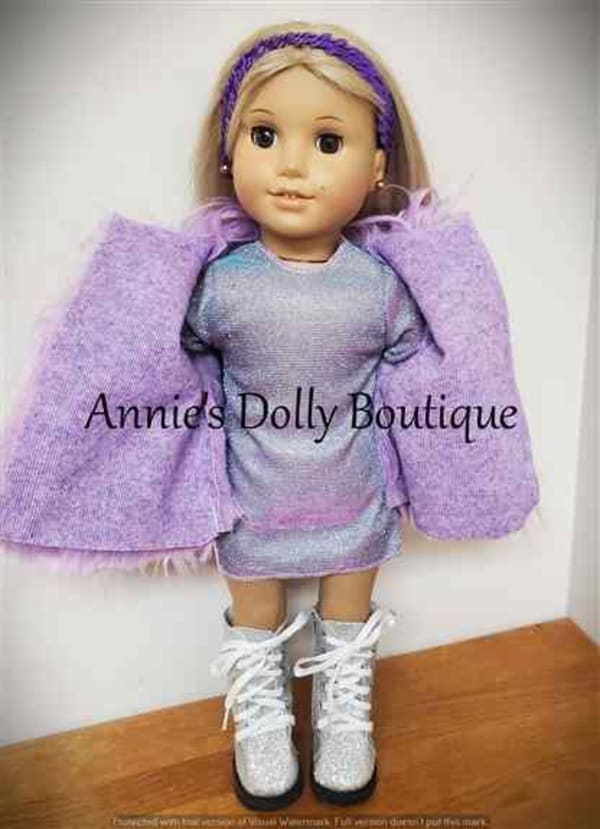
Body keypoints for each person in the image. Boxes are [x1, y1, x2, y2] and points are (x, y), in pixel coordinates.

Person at [0, 19, 539, 813]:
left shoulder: (378, 288)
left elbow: (417, 368)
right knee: (256, 617)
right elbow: (169, 360)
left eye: (328, 141)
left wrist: (463, 348)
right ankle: (263, 710)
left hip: (354, 501)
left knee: (347, 615)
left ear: (376, 165)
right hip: (250, 505)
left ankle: (343, 706)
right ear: (229, 152)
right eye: (264, 135)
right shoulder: (223, 284)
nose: (291, 164)